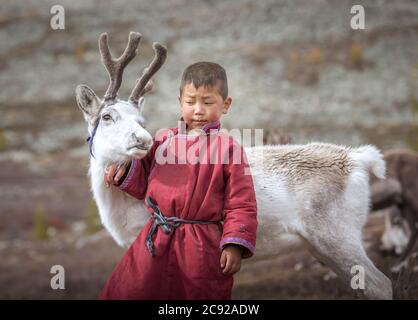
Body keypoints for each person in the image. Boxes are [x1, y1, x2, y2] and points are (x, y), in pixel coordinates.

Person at [99, 61, 258, 299]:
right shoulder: (162, 140)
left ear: (225, 105)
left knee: (200, 294)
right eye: (190, 101)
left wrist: (234, 244)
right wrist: (123, 173)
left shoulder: (229, 149)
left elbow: (241, 202)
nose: (198, 110)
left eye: (207, 102)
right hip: (157, 238)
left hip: (201, 245)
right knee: (134, 289)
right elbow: (142, 182)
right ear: (179, 102)